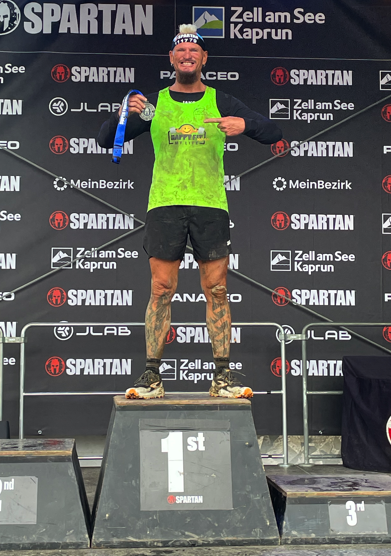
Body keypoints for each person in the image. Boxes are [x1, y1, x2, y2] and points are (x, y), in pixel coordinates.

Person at [98, 24, 282, 399]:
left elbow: (273, 132)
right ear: (171, 58)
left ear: (203, 58)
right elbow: (105, 139)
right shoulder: (152, 104)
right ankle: (151, 377)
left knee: (217, 289)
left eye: (193, 51)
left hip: (210, 204)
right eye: (180, 50)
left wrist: (245, 125)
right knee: (161, 289)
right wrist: (123, 114)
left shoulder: (221, 101)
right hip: (164, 204)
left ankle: (222, 377)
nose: (187, 55)